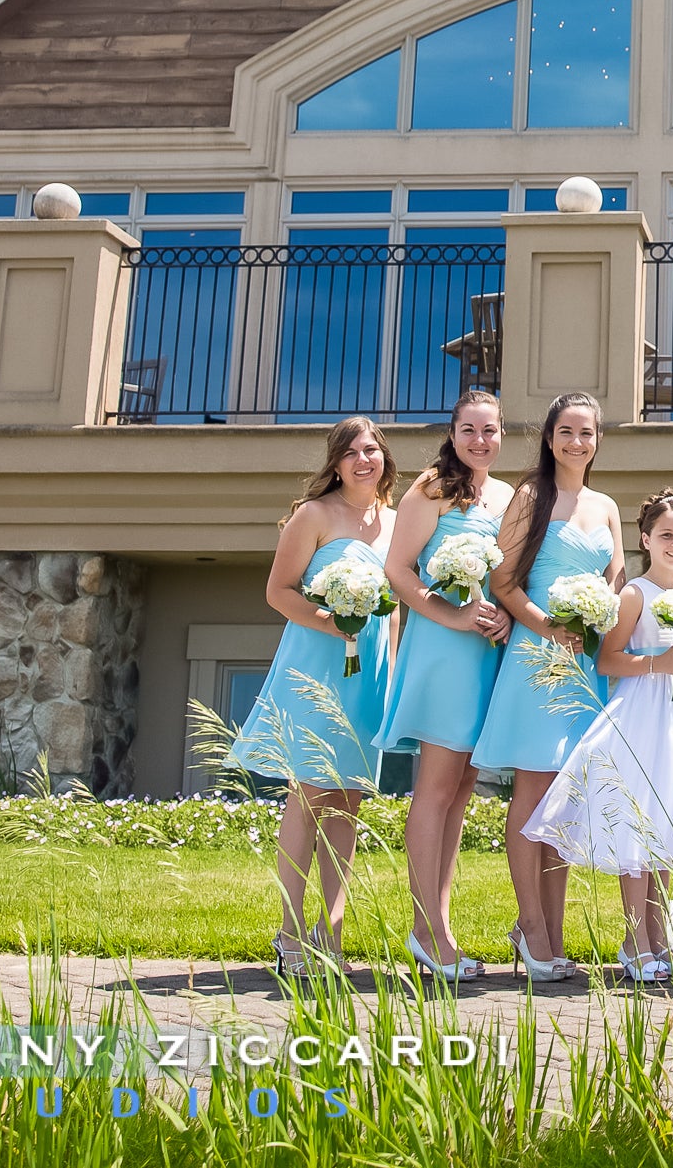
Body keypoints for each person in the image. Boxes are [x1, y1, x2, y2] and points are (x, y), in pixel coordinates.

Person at [524, 492, 673, 983]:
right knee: (637, 830)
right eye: (666, 536)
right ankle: (634, 941)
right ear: (646, 539)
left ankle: (658, 939)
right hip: (643, 717)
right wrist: (657, 664)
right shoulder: (635, 594)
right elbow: (607, 659)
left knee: (662, 829)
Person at [226, 415, 397, 980]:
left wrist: (394, 671)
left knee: (348, 797)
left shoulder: (397, 524)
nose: (362, 460)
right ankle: (290, 929)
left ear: (384, 459)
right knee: (311, 790)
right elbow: (278, 591)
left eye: (371, 450)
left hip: (367, 673)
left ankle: (333, 931)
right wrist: (330, 620)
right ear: (336, 462)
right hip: (315, 663)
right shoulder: (314, 516)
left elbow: (399, 608)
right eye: (351, 452)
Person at [468, 391, 625, 982]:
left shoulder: (607, 505)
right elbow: (504, 581)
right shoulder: (530, 497)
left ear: (598, 440)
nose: (575, 443)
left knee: (564, 802)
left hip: (584, 661)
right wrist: (550, 627)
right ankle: (529, 925)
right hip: (539, 655)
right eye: (566, 432)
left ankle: (553, 935)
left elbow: (614, 579)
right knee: (533, 793)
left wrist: (600, 618)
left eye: (586, 433)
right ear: (549, 437)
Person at [375, 389, 513, 982]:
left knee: (462, 790)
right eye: (469, 430)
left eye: (490, 430)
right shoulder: (431, 488)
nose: (480, 441)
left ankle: (440, 927)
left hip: (487, 650)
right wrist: (453, 614)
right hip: (443, 646)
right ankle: (425, 930)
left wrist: (506, 613)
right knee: (435, 788)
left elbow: (508, 574)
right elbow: (398, 570)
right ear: (452, 434)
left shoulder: (506, 496)